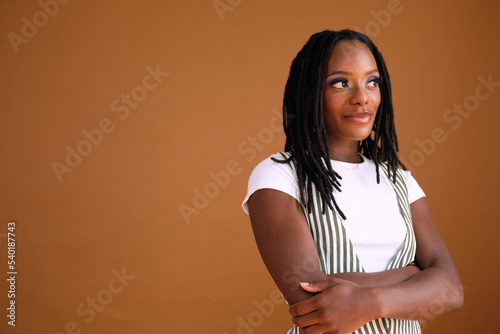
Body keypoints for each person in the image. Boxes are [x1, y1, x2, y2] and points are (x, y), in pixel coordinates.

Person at [241, 29, 463, 334]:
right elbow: (313, 302)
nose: (362, 97)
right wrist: (414, 276)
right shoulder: (279, 175)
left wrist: (367, 300)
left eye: (372, 82)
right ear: (310, 92)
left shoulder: (400, 181)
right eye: (341, 83)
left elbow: (451, 289)